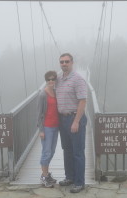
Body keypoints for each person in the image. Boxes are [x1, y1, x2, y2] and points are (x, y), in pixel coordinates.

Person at [55, 53, 88, 193]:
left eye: (67, 61)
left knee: (77, 152)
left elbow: (83, 101)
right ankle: (69, 177)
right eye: (61, 62)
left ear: (72, 62)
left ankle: (79, 183)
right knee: (67, 150)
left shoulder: (78, 80)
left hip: (74, 118)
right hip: (62, 119)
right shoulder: (58, 79)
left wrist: (76, 121)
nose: (64, 64)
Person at [37, 70, 59, 188]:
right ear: (46, 81)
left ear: (55, 80)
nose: (51, 81)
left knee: (52, 151)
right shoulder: (42, 94)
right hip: (47, 127)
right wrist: (41, 130)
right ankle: (44, 176)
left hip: (56, 127)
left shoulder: (56, 92)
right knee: (46, 152)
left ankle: (45, 174)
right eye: (48, 79)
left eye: (53, 79)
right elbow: (39, 113)